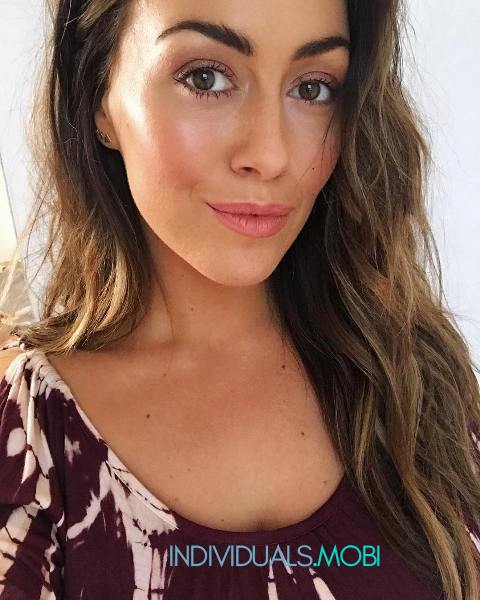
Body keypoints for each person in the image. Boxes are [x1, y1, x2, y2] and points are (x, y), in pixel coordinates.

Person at [0, 0, 479, 598]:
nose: (272, 155)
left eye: (313, 88)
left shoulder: (414, 372)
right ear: (98, 95)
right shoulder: (31, 436)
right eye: (206, 78)